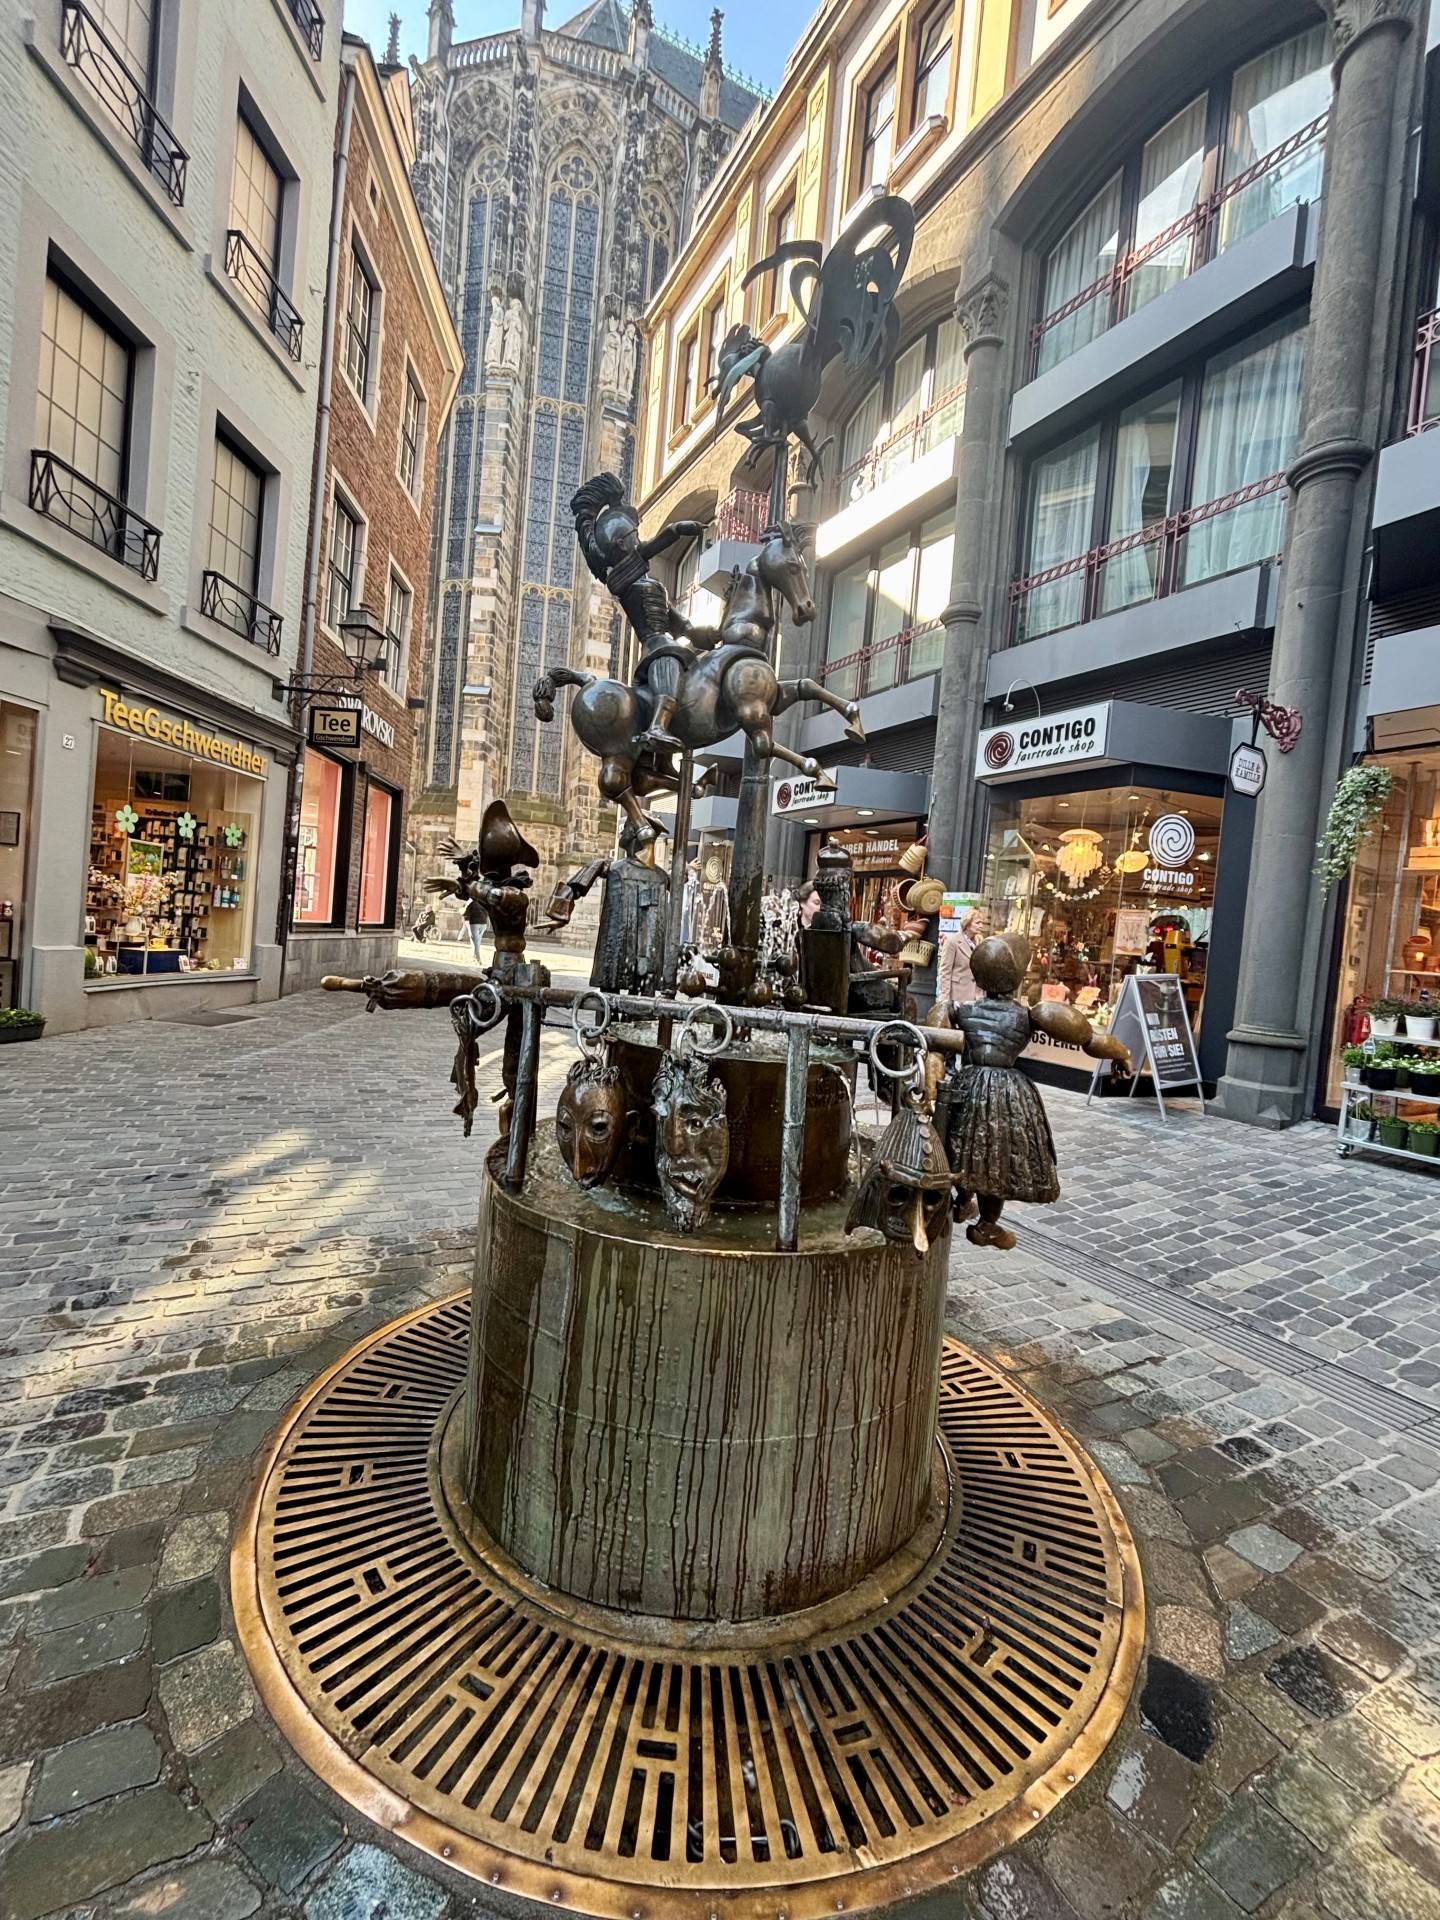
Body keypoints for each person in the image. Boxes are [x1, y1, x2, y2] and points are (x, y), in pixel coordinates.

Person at [938, 906, 987, 1005]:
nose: (981, 926)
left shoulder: (980, 941)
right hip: (959, 995)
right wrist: (945, 1000)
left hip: (977, 995)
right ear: (967, 925)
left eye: (982, 923)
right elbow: (945, 972)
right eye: (977, 923)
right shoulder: (953, 942)